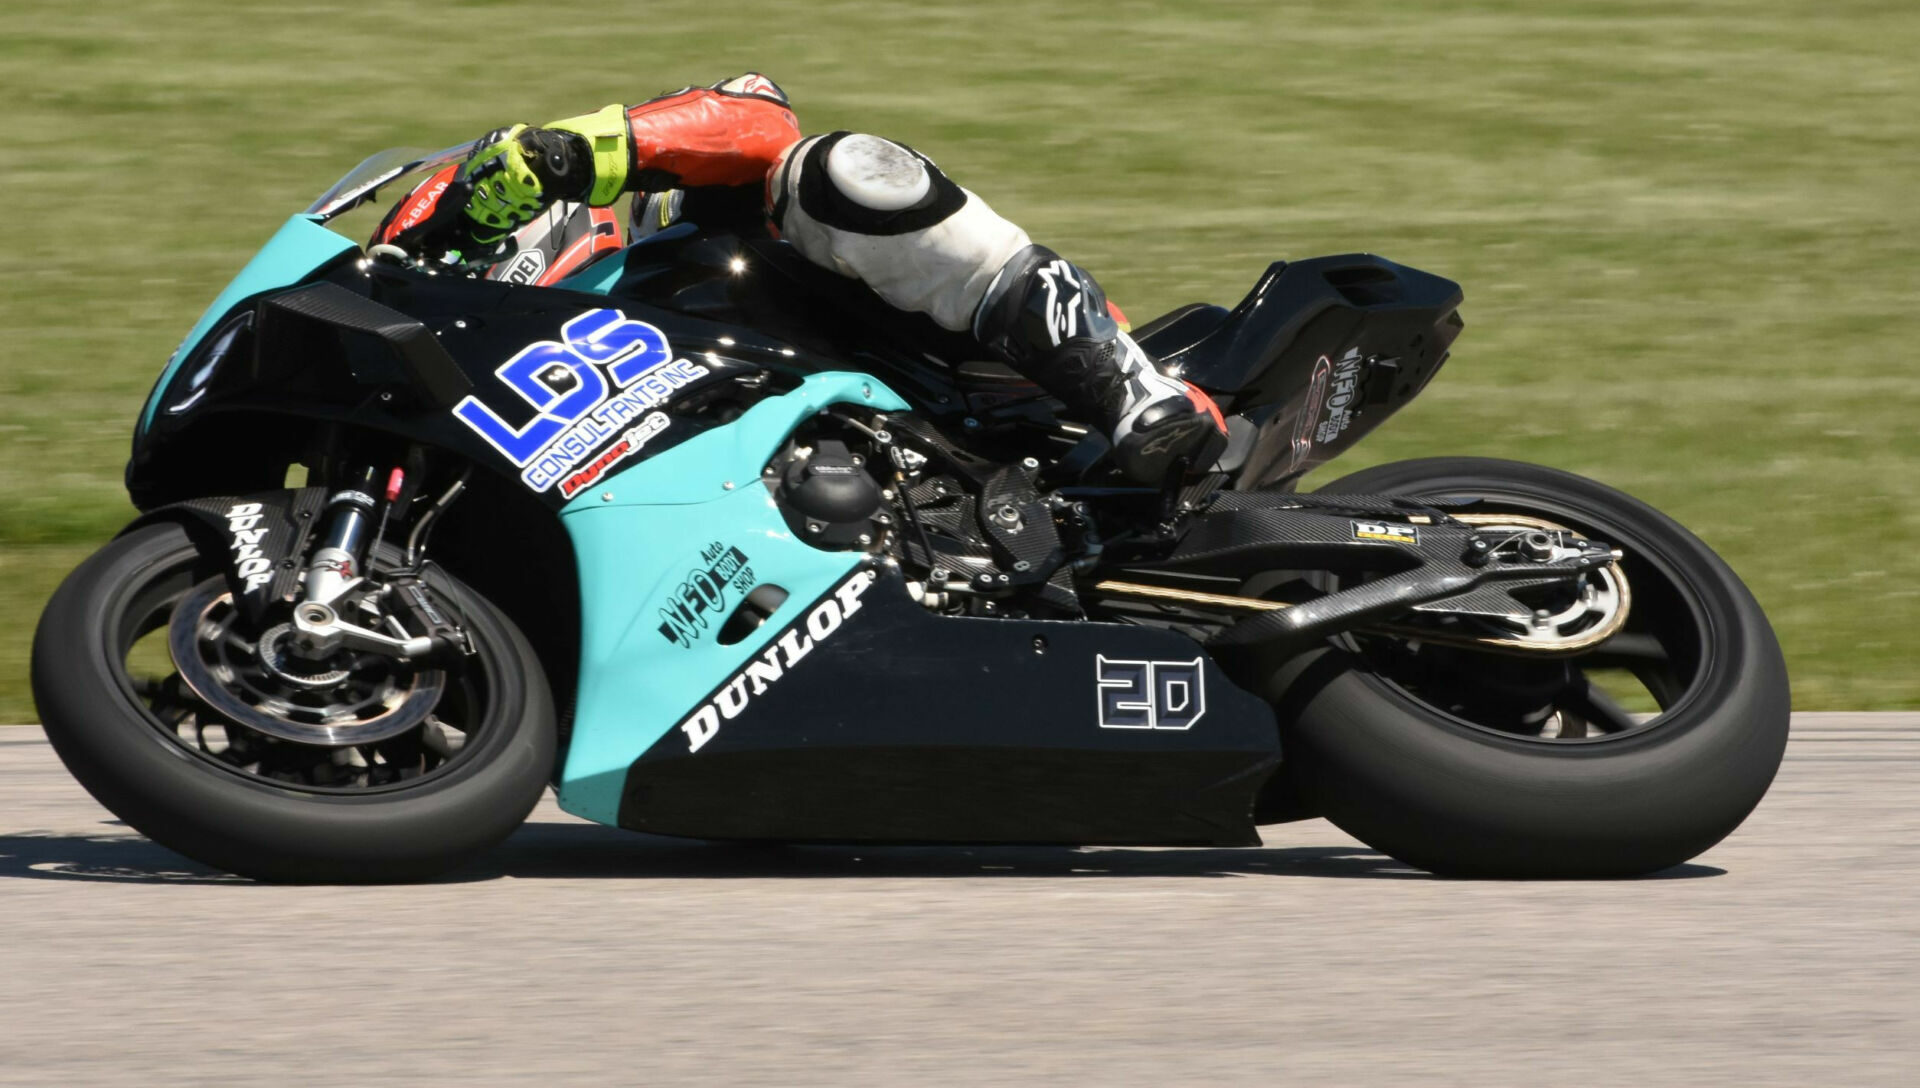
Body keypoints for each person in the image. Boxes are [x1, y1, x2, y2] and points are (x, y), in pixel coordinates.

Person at [380, 74, 1227, 484]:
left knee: (832, 171)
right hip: (853, 471)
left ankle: (1130, 391)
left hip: (967, 370)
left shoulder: (661, 215)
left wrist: (568, 153)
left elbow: (759, 113)